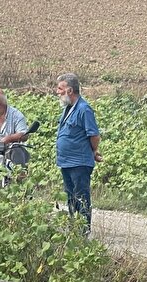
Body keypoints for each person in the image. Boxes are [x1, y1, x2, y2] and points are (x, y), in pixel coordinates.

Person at [54, 72, 101, 233]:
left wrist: (93, 151)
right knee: (71, 198)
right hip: (66, 162)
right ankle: (74, 228)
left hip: (79, 163)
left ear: (70, 91)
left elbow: (94, 135)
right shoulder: (68, 108)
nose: (57, 92)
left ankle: (83, 231)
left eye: (60, 88)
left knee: (81, 197)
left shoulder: (84, 109)